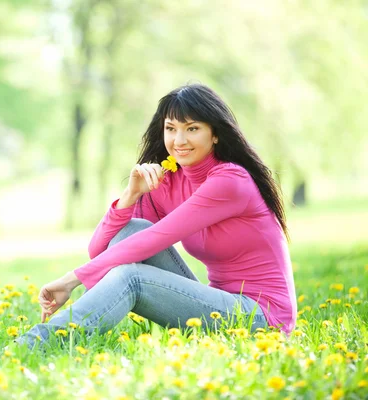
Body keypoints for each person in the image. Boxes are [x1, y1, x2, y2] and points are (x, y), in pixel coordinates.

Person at [15, 83, 297, 350]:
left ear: (215, 134)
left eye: (193, 128)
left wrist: (70, 280)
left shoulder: (230, 181)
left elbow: (157, 238)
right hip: (220, 307)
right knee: (132, 229)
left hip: (261, 320)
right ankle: (52, 339)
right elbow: (103, 248)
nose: (179, 140)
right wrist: (130, 196)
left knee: (132, 277)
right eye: (171, 128)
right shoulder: (167, 179)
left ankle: (34, 345)